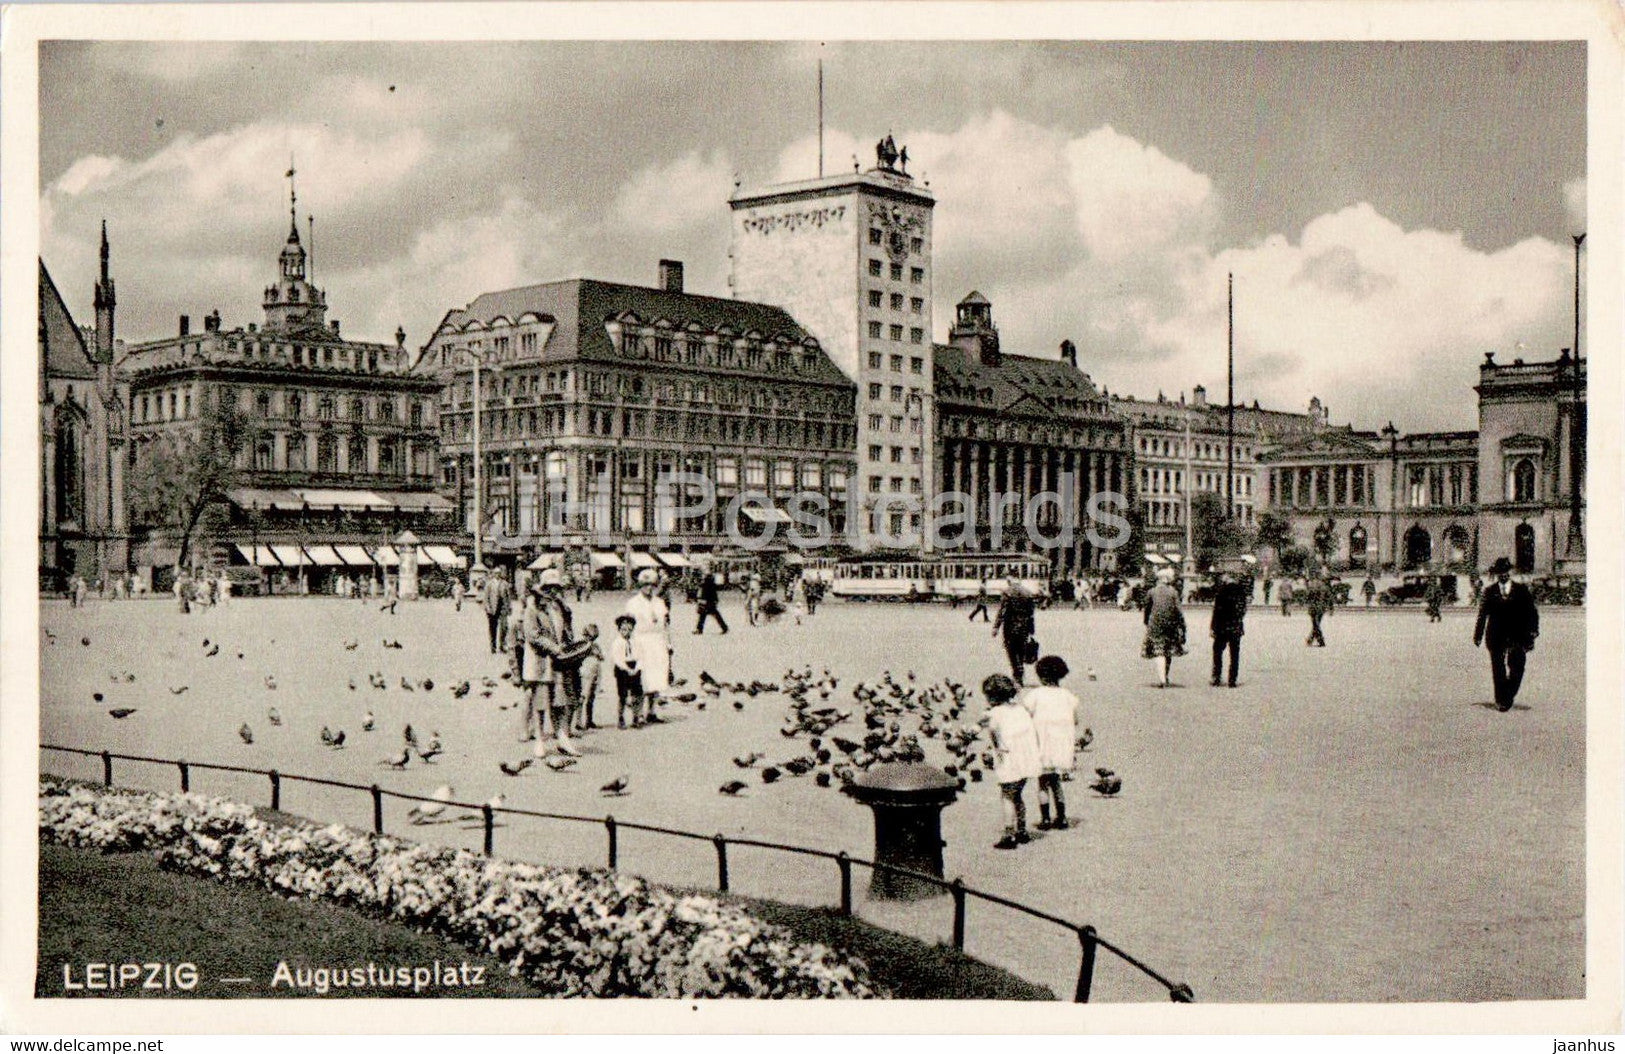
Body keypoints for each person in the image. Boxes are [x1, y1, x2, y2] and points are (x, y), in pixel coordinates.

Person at [1474, 557, 1539, 711]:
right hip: (1496, 636)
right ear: (1497, 574)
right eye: (1500, 572)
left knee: (1517, 667)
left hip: (1517, 635)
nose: (1503, 575)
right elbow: (1483, 615)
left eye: (1505, 572)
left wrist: (1533, 630)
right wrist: (1478, 635)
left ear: (1509, 572)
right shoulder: (1490, 592)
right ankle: (1501, 700)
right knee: (1498, 669)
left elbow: (1532, 612)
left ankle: (1508, 693)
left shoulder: (1521, 590)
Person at [1023, 655, 1081, 831]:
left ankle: (1046, 818)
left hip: (1042, 744)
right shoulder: (1068, 696)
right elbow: (1075, 720)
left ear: (1040, 675)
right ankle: (1061, 817)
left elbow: (1025, 716)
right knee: (1056, 782)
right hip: (1060, 746)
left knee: (1042, 782)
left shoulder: (1035, 695)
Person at [984, 673, 1040, 849]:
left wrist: (996, 746)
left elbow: (993, 732)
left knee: (1007, 795)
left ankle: (1009, 834)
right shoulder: (1021, 709)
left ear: (992, 697)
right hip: (1026, 758)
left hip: (1009, 758)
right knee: (1017, 795)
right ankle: (1022, 830)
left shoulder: (995, 713)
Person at [625, 568, 672, 723]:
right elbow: (628, 626)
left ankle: (651, 711)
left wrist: (669, 643)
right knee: (641, 678)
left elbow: (665, 625)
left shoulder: (660, 603)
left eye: (652, 584)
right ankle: (638, 714)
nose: (649, 588)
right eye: (645, 585)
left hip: (657, 642)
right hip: (640, 641)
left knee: (656, 676)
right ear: (640, 585)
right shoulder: (633, 603)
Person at [1141, 567, 1185, 688]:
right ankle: (1165, 675)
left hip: (1155, 624)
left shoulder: (1152, 592)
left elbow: (1147, 609)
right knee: (1168, 651)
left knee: (1159, 651)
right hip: (1170, 625)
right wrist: (1182, 626)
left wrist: (1146, 622)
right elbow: (1179, 611)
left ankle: (1162, 679)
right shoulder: (1173, 592)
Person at [992, 579, 1038, 685]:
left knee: (1011, 651)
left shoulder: (1007, 592)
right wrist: (1031, 629)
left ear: (1009, 582)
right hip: (1024, 626)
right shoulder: (1028, 593)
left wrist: (996, 627)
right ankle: (1020, 670)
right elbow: (1031, 613)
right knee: (1021, 650)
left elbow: (1002, 611)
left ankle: (1017, 672)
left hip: (1010, 626)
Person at [1210, 570, 1249, 688]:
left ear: (1227, 578)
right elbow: (1243, 609)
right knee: (1234, 654)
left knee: (1217, 652)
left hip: (1222, 627)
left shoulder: (1221, 591)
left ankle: (1217, 677)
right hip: (1235, 626)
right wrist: (1238, 619)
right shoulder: (1241, 591)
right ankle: (1232, 680)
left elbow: (1216, 611)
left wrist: (1213, 627)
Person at [610, 614, 644, 728]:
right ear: (619, 629)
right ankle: (621, 718)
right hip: (622, 669)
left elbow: (640, 656)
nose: (627, 632)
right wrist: (627, 669)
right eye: (624, 629)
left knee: (637, 694)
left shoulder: (635, 642)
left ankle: (635, 717)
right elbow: (617, 659)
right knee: (622, 695)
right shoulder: (617, 643)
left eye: (629, 629)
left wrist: (637, 668)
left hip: (634, 666)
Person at [483, 568, 511, 654]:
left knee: (504, 627)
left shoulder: (505, 583)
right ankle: (493, 646)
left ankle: (502, 645)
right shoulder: (489, 584)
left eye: (499, 573)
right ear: (493, 574)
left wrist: (509, 607)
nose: (497, 575)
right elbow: (486, 597)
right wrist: (488, 608)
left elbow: (508, 597)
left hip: (502, 608)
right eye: (495, 573)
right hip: (492, 609)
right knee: (493, 628)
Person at [1304, 571, 1329, 647]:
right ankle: (1310, 640)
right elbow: (1328, 597)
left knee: (1315, 624)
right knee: (1316, 624)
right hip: (1321, 607)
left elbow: (1307, 597)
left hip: (1313, 607)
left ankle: (1320, 641)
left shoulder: (1312, 585)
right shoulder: (1324, 586)